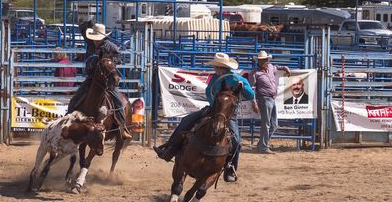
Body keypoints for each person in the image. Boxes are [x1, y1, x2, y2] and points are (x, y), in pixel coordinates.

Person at [154, 52, 255, 183]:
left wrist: (243, 86)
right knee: (186, 120)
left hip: (229, 115)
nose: (215, 69)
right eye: (216, 67)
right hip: (212, 109)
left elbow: (250, 95)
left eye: (217, 67)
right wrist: (214, 103)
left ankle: (230, 167)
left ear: (223, 68)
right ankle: (170, 148)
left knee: (236, 141)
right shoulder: (214, 78)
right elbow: (209, 92)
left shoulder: (238, 79)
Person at [67, 22, 131, 139]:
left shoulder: (110, 46)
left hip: (106, 80)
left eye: (98, 39)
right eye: (94, 39)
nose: (96, 41)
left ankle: (122, 127)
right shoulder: (91, 43)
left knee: (117, 100)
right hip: (92, 78)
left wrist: (108, 61)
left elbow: (119, 58)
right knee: (76, 98)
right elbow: (83, 30)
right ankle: (67, 120)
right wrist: (86, 24)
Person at [250, 50, 290, 154]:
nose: (264, 62)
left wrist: (285, 67)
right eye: (261, 60)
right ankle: (263, 147)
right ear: (258, 61)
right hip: (263, 98)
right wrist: (254, 102)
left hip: (272, 98)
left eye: (265, 60)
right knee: (266, 123)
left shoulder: (271, 67)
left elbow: (278, 67)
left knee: (273, 124)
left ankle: (262, 145)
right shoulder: (255, 73)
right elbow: (252, 89)